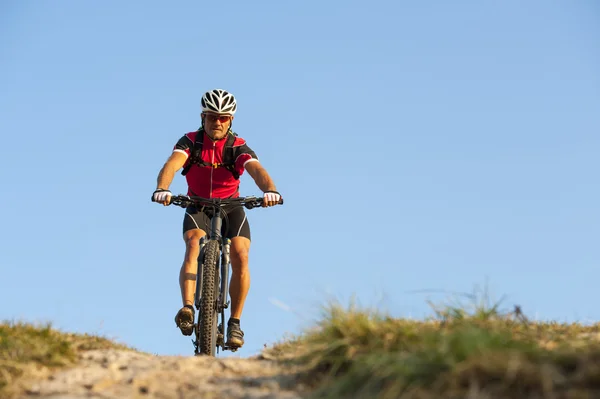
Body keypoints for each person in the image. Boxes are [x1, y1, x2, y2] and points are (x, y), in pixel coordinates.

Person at [152, 88, 281, 349]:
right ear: (203, 117)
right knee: (193, 243)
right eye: (212, 117)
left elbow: (256, 170)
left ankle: (234, 323)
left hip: (232, 207)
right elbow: (172, 164)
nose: (217, 122)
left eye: (223, 117)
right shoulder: (191, 142)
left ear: (231, 120)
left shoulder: (237, 147)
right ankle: (188, 309)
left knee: (241, 255)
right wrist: (163, 188)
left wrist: (270, 190)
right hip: (198, 205)